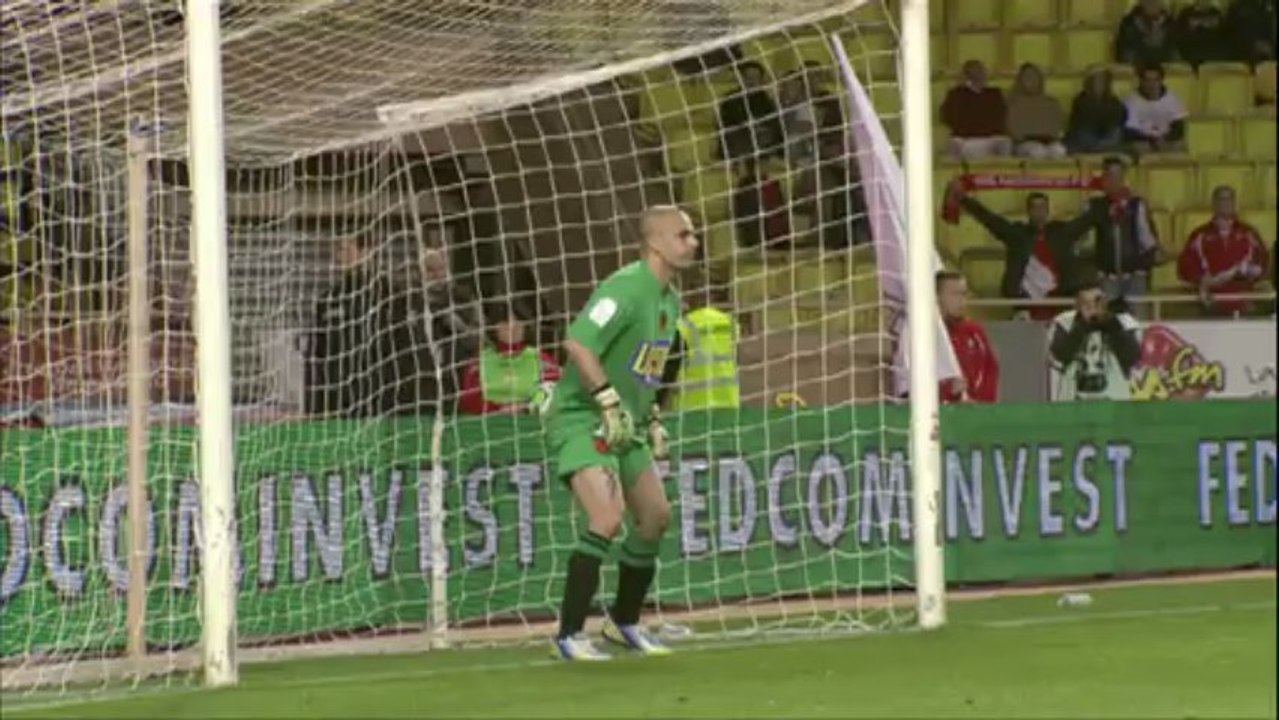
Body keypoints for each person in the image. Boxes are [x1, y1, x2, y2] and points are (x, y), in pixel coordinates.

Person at [543, 205, 696, 661]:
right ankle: (569, 634)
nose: (693, 242)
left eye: (693, 235)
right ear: (655, 242)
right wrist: (607, 399)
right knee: (607, 518)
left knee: (655, 517)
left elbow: (647, 367)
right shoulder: (624, 287)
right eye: (683, 234)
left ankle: (622, 622)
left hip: (627, 423)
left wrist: (651, 416)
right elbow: (578, 343)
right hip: (582, 416)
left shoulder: (670, 300)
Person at [950, 182, 1097, 321]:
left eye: (1042, 207)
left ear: (1047, 210)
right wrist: (964, 199)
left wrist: (1103, 202)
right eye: (1035, 208)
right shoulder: (1017, 235)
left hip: (1059, 304)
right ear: (1028, 211)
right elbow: (990, 219)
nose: (1039, 212)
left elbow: (1087, 221)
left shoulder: (1061, 232)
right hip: (1025, 307)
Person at [305, 235, 388, 417]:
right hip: (337, 403)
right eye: (337, 250)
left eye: (345, 250)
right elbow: (316, 355)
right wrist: (314, 406)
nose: (339, 257)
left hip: (379, 403)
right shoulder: (328, 300)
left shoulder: (388, 295)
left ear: (366, 252)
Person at [1085, 156, 1161, 317]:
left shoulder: (1136, 204)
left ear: (1124, 177)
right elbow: (1086, 240)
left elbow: (1147, 238)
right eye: (1110, 176)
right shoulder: (1095, 206)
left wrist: (1147, 261)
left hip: (1135, 274)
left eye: (1118, 176)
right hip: (1108, 275)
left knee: (1138, 320)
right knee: (1106, 319)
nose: (1115, 181)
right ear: (1104, 179)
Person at [1177, 185, 1270, 316]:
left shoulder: (1249, 233)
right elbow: (1184, 267)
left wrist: (1250, 273)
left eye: (1229, 199)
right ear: (1213, 204)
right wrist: (1201, 281)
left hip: (1244, 302)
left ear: (1234, 203)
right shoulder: (1200, 235)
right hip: (1211, 303)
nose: (1225, 203)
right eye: (1221, 199)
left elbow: (1263, 262)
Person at [1048, 279, 1142, 402]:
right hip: (1074, 401)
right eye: (1086, 302)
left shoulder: (1124, 322)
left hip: (1115, 401)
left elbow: (1132, 358)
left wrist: (1112, 324)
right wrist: (1082, 324)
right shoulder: (1064, 322)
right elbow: (1060, 355)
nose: (1093, 307)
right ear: (1077, 304)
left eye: (1097, 301)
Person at [457, 304, 561, 415]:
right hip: (490, 421)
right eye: (505, 322)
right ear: (494, 327)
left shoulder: (542, 359)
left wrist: (527, 407)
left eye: (519, 320)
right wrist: (499, 410)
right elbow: (469, 401)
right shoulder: (479, 363)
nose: (512, 326)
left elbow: (554, 390)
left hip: (531, 419)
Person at [936, 271, 1000, 404]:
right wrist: (947, 392)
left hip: (975, 411)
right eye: (954, 294)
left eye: (964, 294)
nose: (961, 300)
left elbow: (990, 371)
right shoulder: (924, 336)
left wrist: (980, 405)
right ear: (937, 297)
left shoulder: (975, 333)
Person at [940, 60, 1012, 160]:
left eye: (981, 70)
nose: (980, 74)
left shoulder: (995, 94)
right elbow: (947, 116)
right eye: (975, 71)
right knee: (954, 144)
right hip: (965, 139)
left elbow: (1001, 116)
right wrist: (961, 88)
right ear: (966, 75)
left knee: (1005, 142)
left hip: (990, 138)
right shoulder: (956, 94)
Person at [718, 61, 783, 168]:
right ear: (742, 79)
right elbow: (733, 118)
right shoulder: (730, 98)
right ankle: (742, 165)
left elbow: (772, 122)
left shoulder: (766, 100)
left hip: (759, 139)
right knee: (736, 132)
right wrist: (752, 126)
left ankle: (761, 166)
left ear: (761, 80)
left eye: (755, 77)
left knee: (767, 134)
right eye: (748, 77)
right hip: (737, 139)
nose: (751, 81)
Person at [1123, 63, 1188, 154]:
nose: (1152, 84)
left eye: (1155, 80)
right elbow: (1131, 131)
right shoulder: (1131, 101)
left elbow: (1179, 128)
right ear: (1141, 81)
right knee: (1138, 147)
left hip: (1167, 140)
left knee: (1180, 145)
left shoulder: (1173, 98)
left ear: (1161, 80)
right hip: (1144, 141)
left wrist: (1164, 139)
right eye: (1148, 80)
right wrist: (1152, 140)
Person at [1006, 63, 1067, 159]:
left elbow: (1058, 129)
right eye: (1028, 77)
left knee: (1059, 151)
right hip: (1024, 144)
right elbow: (1012, 131)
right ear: (1020, 80)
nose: (1032, 81)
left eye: (1035, 77)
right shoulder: (1013, 102)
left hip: (1048, 142)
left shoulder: (1051, 102)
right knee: (1037, 152)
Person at [1066, 68, 1128, 155]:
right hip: (1086, 135)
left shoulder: (1114, 101)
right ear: (1089, 82)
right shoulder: (1081, 100)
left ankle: (1099, 148)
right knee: (1083, 135)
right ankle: (1099, 149)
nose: (1100, 83)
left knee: (1116, 134)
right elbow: (1082, 124)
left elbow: (1119, 119)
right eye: (1097, 80)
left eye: (1103, 80)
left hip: (1106, 136)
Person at [1115, 0, 1179, 67]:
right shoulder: (1128, 24)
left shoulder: (1171, 25)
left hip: (1166, 71)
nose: (1152, 3)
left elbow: (1175, 57)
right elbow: (1124, 56)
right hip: (1135, 70)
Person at [1176, 0, 1230, 68]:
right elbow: (1179, 35)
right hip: (1192, 56)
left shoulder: (1215, 12)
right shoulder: (1185, 13)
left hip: (1214, 57)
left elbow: (1223, 35)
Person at [1225, 0, 1277, 67]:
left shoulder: (1270, 6)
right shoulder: (1237, 8)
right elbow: (1228, 34)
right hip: (1240, 59)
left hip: (1267, 60)